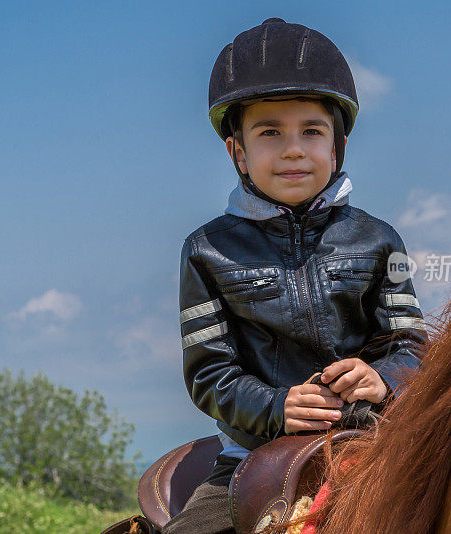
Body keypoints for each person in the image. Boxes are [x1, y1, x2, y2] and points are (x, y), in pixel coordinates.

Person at [164, 18, 427, 534]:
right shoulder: (205, 251)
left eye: (312, 131)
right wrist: (277, 407)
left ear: (338, 146)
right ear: (236, 151)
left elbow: (414, 345)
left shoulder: (380, 239)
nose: (293, 149)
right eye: (269, 133)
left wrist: (384, 379)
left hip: (376, 437)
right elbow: (208, 376)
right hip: (253, 454)